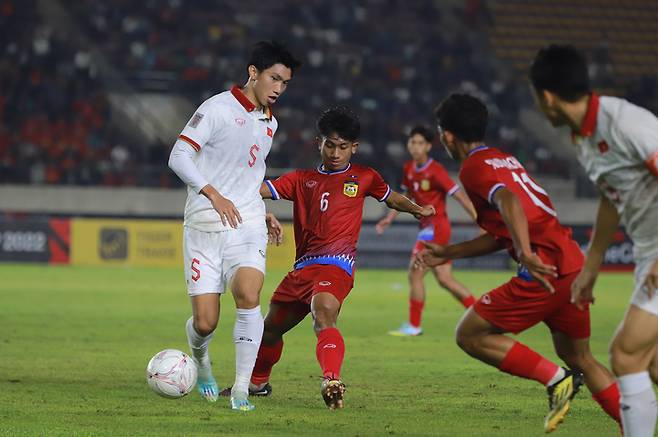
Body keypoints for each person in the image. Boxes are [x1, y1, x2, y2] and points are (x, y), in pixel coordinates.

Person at [417, 94, 621, 432]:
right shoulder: (504, 160)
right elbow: (504, 232)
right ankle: (637, 427)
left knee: (470, 335)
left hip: (543, 271)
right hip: (571, 266)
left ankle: (556, 380)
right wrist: (449, 253)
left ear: (447, 135)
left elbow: (509, 201)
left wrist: (525, 252)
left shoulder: (472, 168)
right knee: (580, 357)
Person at [225, 106, 434, 409]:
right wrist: (257, 209)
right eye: (330, 145)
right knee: (269, 329)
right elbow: (255, 192)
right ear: (319, 143)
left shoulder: (364, 177)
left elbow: (391, 197)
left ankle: (331, 379)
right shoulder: (300, 179)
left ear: (354, 148)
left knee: (323, 312)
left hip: (336, 265)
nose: (336, 153)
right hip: (302, 269)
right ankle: (257, 383)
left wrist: (417, 209)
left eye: (343, 147)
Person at [530, 44, 658, 437]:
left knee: (625, 354)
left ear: (547, 96)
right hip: (646, 252)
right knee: (651, 365)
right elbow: (610, 194)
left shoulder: (625, 124)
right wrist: (592, 265)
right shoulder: (582, 137)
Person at [167, 40, 301, 411]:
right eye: (274, 78)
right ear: (253, 73)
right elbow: (178, 156)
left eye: (285, 83)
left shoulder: (270, 122)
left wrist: (259, 208)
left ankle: (242, 389)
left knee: (249, 295)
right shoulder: (217, 109)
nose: (279, 88)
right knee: (206, 323)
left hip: (247, 224)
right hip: (204, 224)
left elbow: (248, 172)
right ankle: (202, 361)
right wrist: (214, 194)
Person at [375, 125, 478, 336]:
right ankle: (483, 314)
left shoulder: (436, 170)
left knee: (415, 274)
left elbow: (458, 195)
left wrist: (479, 218)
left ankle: (414, 326)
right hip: (428, 229)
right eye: (412, 142)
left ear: (428, 146)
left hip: (435, 230)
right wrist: (389, 218)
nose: (416, 147)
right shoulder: (409, 169)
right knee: (445, 279)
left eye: (420, 143)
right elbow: (406, 197)